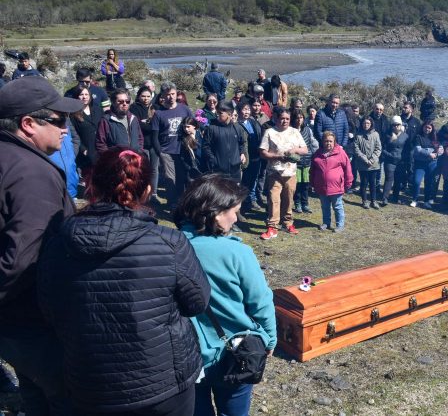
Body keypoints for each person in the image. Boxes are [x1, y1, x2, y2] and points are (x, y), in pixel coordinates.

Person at [37, 147, 211, 415]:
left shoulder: (58, 244)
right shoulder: (169, 243)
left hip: (91, 381)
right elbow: (197, 302)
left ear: (92, 184)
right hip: (162, 381)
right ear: (148, 191)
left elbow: (49, 310)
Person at [0, 76, 81, 415]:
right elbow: (25, 258)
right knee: (66, 401)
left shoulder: (7, 158)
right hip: (36, 323)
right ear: (28, 124)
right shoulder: (32, 174)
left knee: (34, 397)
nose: (66, 129)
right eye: (59, 120)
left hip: (14, 325)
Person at [173, 175, 277, 416]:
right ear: (216, 213)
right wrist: (269, 339)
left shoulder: (169, 247)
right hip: (236, 351)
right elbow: (260, 302)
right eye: (235, 211)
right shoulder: (237, 252)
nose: (236, 218)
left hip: (187, 354)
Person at [259, 108, 308, 240]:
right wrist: (276, 156)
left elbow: (305, 149)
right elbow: (262, 152)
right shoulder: (269, 132)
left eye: (287, 118)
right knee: (274, 198)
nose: (284, 120)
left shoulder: (295, 132)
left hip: (290, 172)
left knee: (288, 198)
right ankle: (272, 227)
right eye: (282, 118)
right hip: (274, 171)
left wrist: (295, 150)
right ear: (276, 118)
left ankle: (288, 223)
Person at [152, 82, 194, 206]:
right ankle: (172, 204)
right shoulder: (159, 113)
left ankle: (182, 203)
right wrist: (160, 153)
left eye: (173, 94)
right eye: (167, 95)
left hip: (183, 150)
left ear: (176, 93)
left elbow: (194, 125)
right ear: (163, 96)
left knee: (182, 178)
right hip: (167, 151)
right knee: (171, 180)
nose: (171, 97)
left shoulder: (184, 109)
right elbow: (155, 137)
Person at [310, 131, 353, 232]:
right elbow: (312, 170)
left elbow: (348, 168)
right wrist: (312, 183)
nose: (328, 143)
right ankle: (326, 223)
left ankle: (340, 225)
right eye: (326, 141)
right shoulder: (317, 154)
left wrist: (348, 182)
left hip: (336, 186)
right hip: (322, 187)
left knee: (338, 206)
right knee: (325, 206)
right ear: (322, 142)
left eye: (330, 141)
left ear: (334, 142)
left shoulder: (340, 153)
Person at [202, 101, 245, 182]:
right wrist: (214, 161)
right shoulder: (212, 128)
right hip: (218, 171)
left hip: (235, 170)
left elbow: (241, 143)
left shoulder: (237, 128)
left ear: (229, 114)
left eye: (220, 113)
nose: (217, 114)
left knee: (234, 193)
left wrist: (242, 153)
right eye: (217, 112)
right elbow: (205, 147)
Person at [131, 85, 160, 201]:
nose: (146, 98)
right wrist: (151, 124)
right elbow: (137, 125)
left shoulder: (156, 107)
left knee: (154, 169)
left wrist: (148, 124)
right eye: (143, 96)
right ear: (138, 96)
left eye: (148, 96)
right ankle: (142, 191)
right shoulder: (133, 108)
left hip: (154, 143)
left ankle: (153, 192)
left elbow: (158, 125)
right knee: (142, 169)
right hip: (141, 143)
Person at [95, 88, 144, 154]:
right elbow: (100, 144)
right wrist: (110, 159)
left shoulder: (133, 118)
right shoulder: (106, 120)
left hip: (134, 160)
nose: (124, 104)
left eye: (127, 101)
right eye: (120, 101)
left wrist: (139, 152)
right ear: (113, 102)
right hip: (116, 161)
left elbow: (140, 138)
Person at [238, 100, 265, 211]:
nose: (247, 112)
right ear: (239, 111)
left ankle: (250, 200)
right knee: (244, 180)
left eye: (248, 109)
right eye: (244, 109)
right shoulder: (237, 124)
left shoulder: (253, 122)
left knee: (253, 179)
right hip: (245, 156)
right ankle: (243, 202)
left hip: (255, 156)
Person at [69, 85, 104, 170]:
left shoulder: (98, 110)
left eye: (86, 94)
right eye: (81, 94)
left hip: (101, 149)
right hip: (87, 153)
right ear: (76, 96)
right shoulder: (73, 115)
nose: (84, 97)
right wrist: (83, 150)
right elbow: (73, 135)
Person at [290, 108, 318, 213]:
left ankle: (305, 203)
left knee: (306, 185)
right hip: (295, 162)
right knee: (297, 185)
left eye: (301, 117)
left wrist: (316, 155)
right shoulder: (291, 131)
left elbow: (313, 143)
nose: (299, 120)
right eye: (297, 118)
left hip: (307, 161)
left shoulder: (307, 130)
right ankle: (297, 204)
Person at [410, 120, 441, 209]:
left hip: (432, 164)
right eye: (426, 127)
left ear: (432, 129)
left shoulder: (435, 138)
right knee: (416, 181)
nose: (427, 129)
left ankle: (426, 201)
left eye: (429, 128)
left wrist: (436, 153)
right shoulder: (418, 137)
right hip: (419, 163)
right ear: (423, 127)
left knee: (429, 182)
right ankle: (415, 199)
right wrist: (429, 153)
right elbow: (418, 150)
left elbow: (440, 149)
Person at [353, 116, 382, 209]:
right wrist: (365, 159)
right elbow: (356, 149)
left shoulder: (376, 134)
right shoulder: (358, 135)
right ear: (362, 124)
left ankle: (374, 200)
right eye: (364, 123)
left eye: (368, 123)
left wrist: (372, 159)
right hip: (362, 164)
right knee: (364, 183)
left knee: (373, 183)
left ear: (371, 124)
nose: (366, 125)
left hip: (373, 164)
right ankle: (364, 200)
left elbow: (378, 148)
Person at [380, 115, 409, 205]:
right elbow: (382, 148)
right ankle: (385, 198)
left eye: (397, 124)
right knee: (389, 179)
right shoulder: (387, 135)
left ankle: (395, 197)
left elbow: (407, 149)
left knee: (398, 180)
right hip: (389, 161)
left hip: (400, 162)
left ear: (400, 125)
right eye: (394, 125)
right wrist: (389, 155)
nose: (396, 126)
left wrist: (404, 159)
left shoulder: (405, 136)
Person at [178, 116, 204, 188]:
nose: (186, 129)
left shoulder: (202, 135)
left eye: (188, 127)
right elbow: (183, 157)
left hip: (203, 166)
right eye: (184, 127)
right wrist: (189, 167)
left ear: (194, 126)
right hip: (192, 169)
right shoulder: (184, 140)